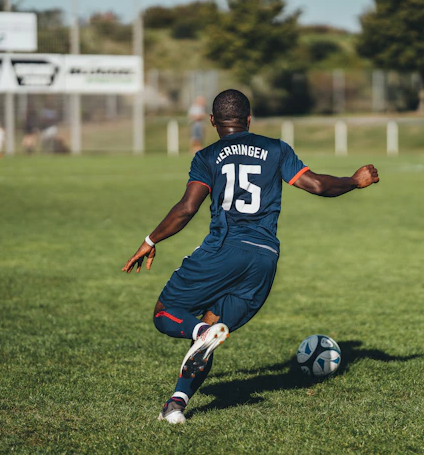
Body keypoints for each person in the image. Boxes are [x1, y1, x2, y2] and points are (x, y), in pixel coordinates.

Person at [122, 89, 379, 424]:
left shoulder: (207, 156)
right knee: (211, 330)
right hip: (263, 259)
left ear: (213, 121)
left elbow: (187, 209)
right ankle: (175, 405)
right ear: (249, 118)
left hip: (223, 250)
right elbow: (317, 185)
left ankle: (199, 333)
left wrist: (150, 239)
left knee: (166, 314)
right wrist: (354, 181)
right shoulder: (276, 149)